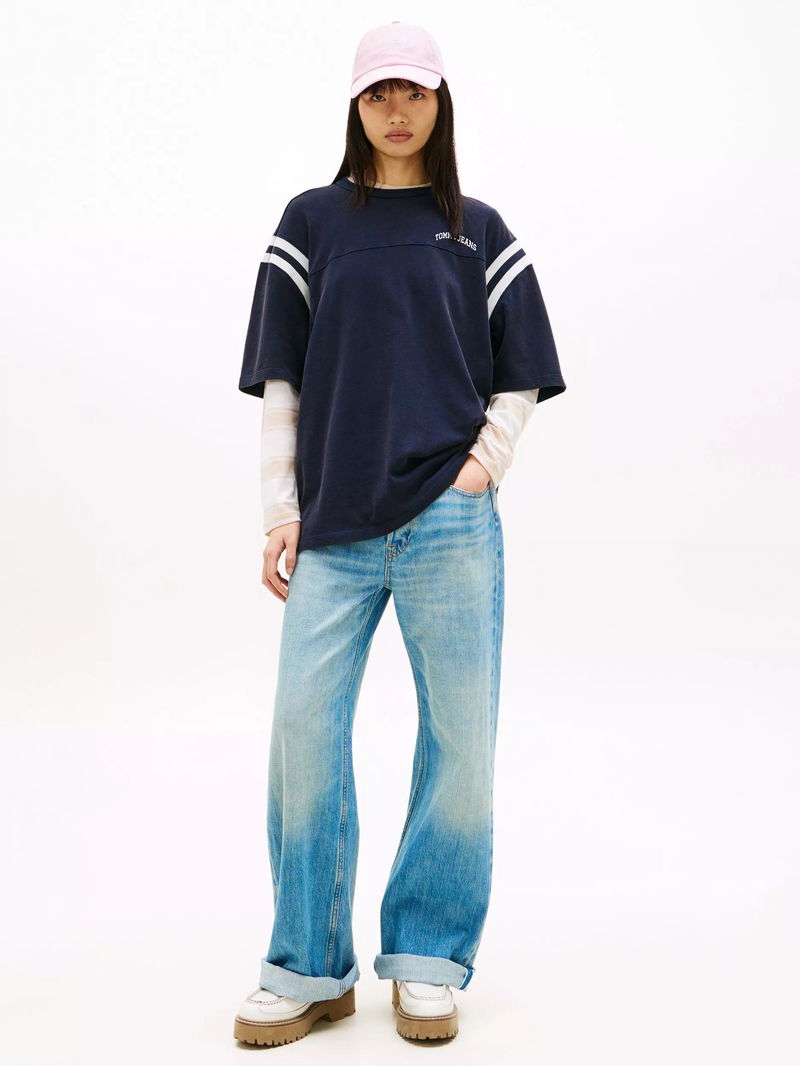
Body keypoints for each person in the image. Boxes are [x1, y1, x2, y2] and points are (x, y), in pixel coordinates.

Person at [233, 20, 567, 1046]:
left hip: (448, 523)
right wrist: (281, 510)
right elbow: (281, 377)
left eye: (412, 91)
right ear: (355, 104)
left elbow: (521, 371)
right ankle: (308, 966)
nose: (395, 108)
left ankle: (426, 959)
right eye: (378, 91)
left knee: (459, 742)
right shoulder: (311, 223)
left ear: (438, 102)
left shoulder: (478, 230)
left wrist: (480, 468)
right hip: (332, 529)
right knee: (302, 733)